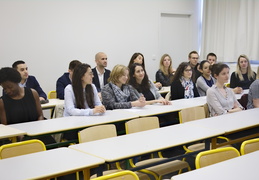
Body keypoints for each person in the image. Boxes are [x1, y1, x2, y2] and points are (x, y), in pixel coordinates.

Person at [0, 67, 55, 145]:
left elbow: (40, 116)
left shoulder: (33, 93)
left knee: (52, 146)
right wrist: (18, 134)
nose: (8, 91)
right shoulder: (2, 102)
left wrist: (35, 131)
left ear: (17, 82)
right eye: (4, 88)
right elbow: (5, 126)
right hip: (15, 137)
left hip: (36, 132)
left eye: (10, 87)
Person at [63, 63, 106, 140]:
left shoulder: (92, 86)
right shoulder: (69, 89)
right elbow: (71, 111)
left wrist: (101, 108)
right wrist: (91, 111)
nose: (92, 76)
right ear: (82, 76)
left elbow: (98, 104)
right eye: (90, 74)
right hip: (73, 126)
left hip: (89, 121)